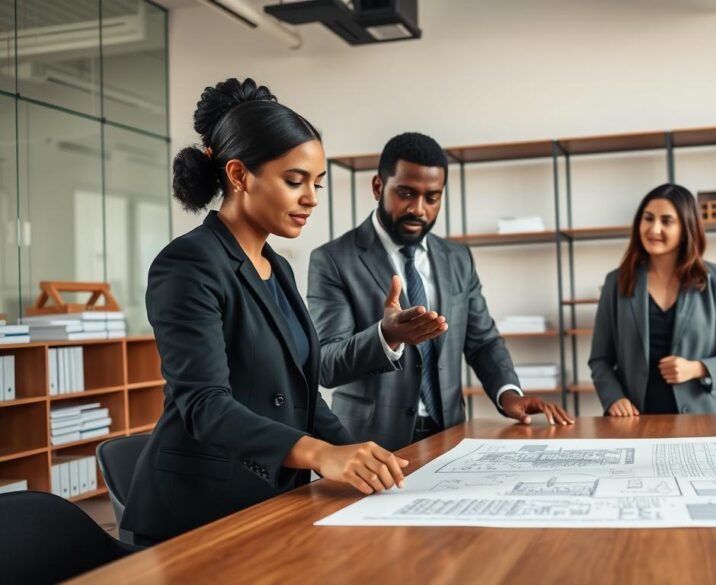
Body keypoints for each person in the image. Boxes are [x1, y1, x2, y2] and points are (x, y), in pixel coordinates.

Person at [121, 78, 407, 545]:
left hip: (269, 500)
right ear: (238, 176)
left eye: (316, 183)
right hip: (195, 515)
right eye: (294, 181)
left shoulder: (277, 268)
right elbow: (205, 405)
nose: (311, 198)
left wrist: (359, 454)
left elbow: (303, 400)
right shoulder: (188, 264)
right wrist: (320, 456)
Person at [308, 132, 574, 451]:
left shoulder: (457, 258)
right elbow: (326, 364)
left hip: (449, 434)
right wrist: (386, 336)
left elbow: (483, 341)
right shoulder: (333, 260)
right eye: (406, 193)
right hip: (370, 443)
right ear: (379, 187)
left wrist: (509, 395)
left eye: (432, 197)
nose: (418, 209)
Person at [589, 183, 716, 416]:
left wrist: (697, 368)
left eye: (666, 221)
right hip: (635, 419)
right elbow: (600, 359)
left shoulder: (714, 279)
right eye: (648, 218)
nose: (653, 229)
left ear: (686, 228)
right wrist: (613, 398)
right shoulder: (616, 282)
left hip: (703, 418)